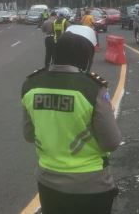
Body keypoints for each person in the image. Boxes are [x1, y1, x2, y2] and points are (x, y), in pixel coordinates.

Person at [21, 25, 121, 214]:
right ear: (85, 58)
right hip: (90, 185)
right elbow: (111, 142)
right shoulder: (92, 89)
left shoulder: (30, 85)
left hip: (48, 182)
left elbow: (28, 135)